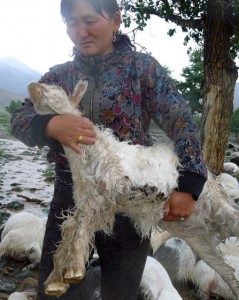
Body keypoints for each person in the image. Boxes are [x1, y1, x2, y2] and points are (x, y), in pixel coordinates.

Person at [11, 0, 207, 299]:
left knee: (122, 288)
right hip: (70, 196)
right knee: (55, 289)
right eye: (71, 22)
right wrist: (50, 126)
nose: (81, 31)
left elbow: (181, 121)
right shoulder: (58, 77)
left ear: (116, 20)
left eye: (90, 20)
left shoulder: (143, 69)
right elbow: (20, 118)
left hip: (128, 199)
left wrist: (190, 183)